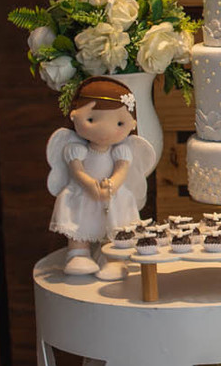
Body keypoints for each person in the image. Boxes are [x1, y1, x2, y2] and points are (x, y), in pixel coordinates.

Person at [47, 77, 157, 276]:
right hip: (84, 193)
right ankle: (78, 253)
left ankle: (113, 257)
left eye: (119, 123)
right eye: (91, 120)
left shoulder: (122, 151)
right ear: (74, 116)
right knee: (80, 221)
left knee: (115, 225)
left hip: (111, 195)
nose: (105, 131)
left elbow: (122, 170)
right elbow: (77, 171)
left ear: (132, 123)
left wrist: (112, 185)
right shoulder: (75, 150)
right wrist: (89, 184)